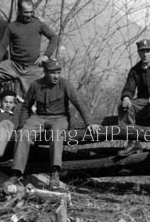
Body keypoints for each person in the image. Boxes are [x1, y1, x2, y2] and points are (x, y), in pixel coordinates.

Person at [9, 59, 101, 189]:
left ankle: (55, 172)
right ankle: (16, 172)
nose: (56, 76)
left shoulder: (65, 84)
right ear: (45, 72)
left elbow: (79, 102)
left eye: (58, 72)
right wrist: (22, 125)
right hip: (39, 117)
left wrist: (90, 123)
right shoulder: (36, 85)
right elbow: (26, 107)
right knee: (23, 134)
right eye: (53, 73)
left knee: (56, 133)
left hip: (59, 118)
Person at [0, 0, 58, 109]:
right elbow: (3, 45)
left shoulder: (38, 24)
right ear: (19, 11)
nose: (29, 15)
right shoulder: (11, 26)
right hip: (14, 65)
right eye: (26, 12)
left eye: (31, 12)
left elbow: (54, 37)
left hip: (33, 67)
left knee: (35, 98)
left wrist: (46, 56)